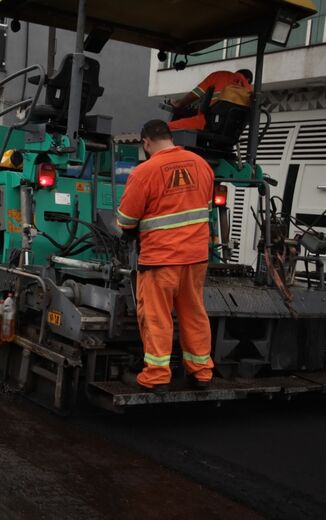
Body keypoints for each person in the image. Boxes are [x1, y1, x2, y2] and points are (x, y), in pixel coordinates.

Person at [116, 119, 215, 393]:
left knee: (157, 317)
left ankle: (157, 376)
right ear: (170, 137)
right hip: (195, 257)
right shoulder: (201, 165)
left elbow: (127, 220)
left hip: (160, 260)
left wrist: (128, 229)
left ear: (146, 142)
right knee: (194, 313)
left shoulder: (144, 172)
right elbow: (205, 209)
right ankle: (201, 373)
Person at [168, 69, 253, 131]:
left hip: (208, 123)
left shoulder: (221, 75)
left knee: (166, 129)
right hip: (229, 132)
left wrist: (178, 103)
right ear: (248, 80)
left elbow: (196, 94)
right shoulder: (250, 92)